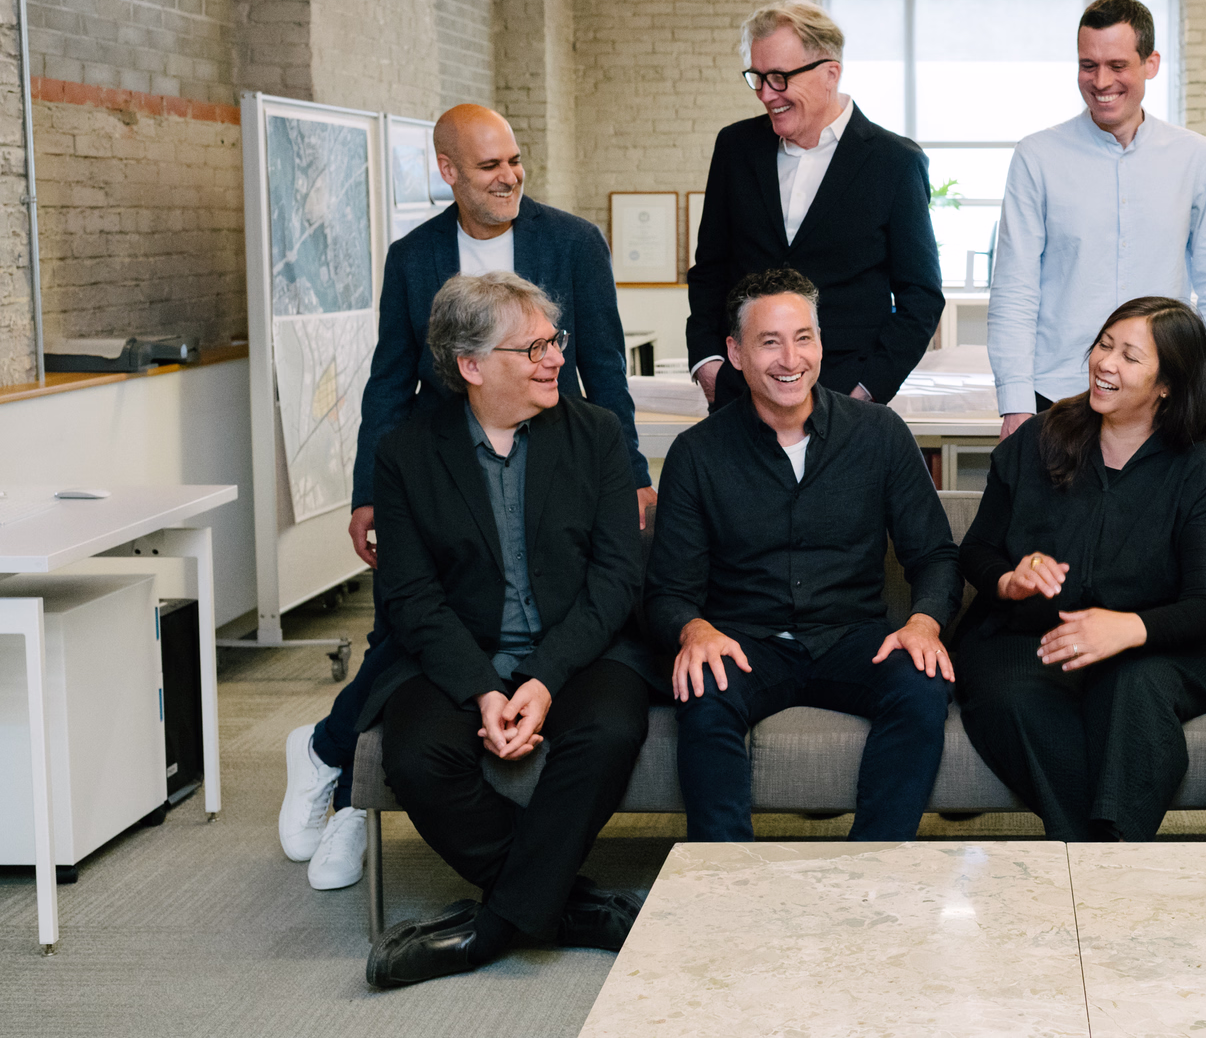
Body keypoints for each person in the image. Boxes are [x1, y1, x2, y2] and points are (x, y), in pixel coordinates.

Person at [278, 103, 650, 893]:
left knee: (474, 624)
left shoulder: (573, 242)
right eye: (490, 165)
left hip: (549, 449)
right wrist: (369, 491)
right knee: (405, 633)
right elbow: (388, 378)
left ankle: (336, 763)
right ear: (447, 171)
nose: (510, 175)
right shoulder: (414, 256)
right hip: (442, 464)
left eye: (516, 160)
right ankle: (346, 782)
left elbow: (606, 367)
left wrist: (634, 470)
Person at [359, 272, 657, 988]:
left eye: (553, 341)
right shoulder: (406, 453)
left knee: (610, 729)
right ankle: (569, 907)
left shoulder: (596, 434)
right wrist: (484, 691)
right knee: (417, 756)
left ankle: (490, 929)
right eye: (532, 348)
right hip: (459, 654)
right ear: (471, 365)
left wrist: (545, 679)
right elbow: (411, 596)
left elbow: (616, 579)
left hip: (580, 651)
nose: (555, 357)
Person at [647, 268, 960, 841]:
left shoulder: (879, 433)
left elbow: (936, 554)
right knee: (703, 691)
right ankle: (725, 880)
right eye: (769, 342)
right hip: (746, 641)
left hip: (851, 637)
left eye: (804, 338)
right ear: (735, 354)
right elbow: (669, 587)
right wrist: (693, 630)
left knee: (921, 686)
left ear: (821, 342)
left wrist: (923, 621)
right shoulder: (697, 453)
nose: (790, 358)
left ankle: (875, 869)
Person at [954, 297, 1206, 842]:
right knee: (1013, 699)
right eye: (1105, 345)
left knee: (1132, 692)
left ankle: (1100, 858)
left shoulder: (1200, 471)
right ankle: (1100, 857)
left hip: (1158, 643)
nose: (1105, 363)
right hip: (1028, 633)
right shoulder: (1037, 439)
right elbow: (976, 550)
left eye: (1130, 356)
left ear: (1168, 386)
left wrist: (1127, 628)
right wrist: (1009, 579)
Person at [988, 0, 1206, 437]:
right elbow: (1015, 288)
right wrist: (1014, 402)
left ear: (1151, 63)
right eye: (1089, 65)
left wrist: (1194, 384)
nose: (1101, 80)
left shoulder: (1193, 157)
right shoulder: (1037, 156)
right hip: (1057, 397)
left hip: (1157, 402)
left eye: (1118, 65)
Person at [686, 0, 943, 412]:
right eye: (757, 77)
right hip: (741, 394)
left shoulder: (894, 162)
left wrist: (867, 389)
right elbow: (709, 269)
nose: (767, 95)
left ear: (830, 73)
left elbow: (921, 296)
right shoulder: (735, 148)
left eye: (779, 78)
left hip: (845, 396)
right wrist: (708, 363)